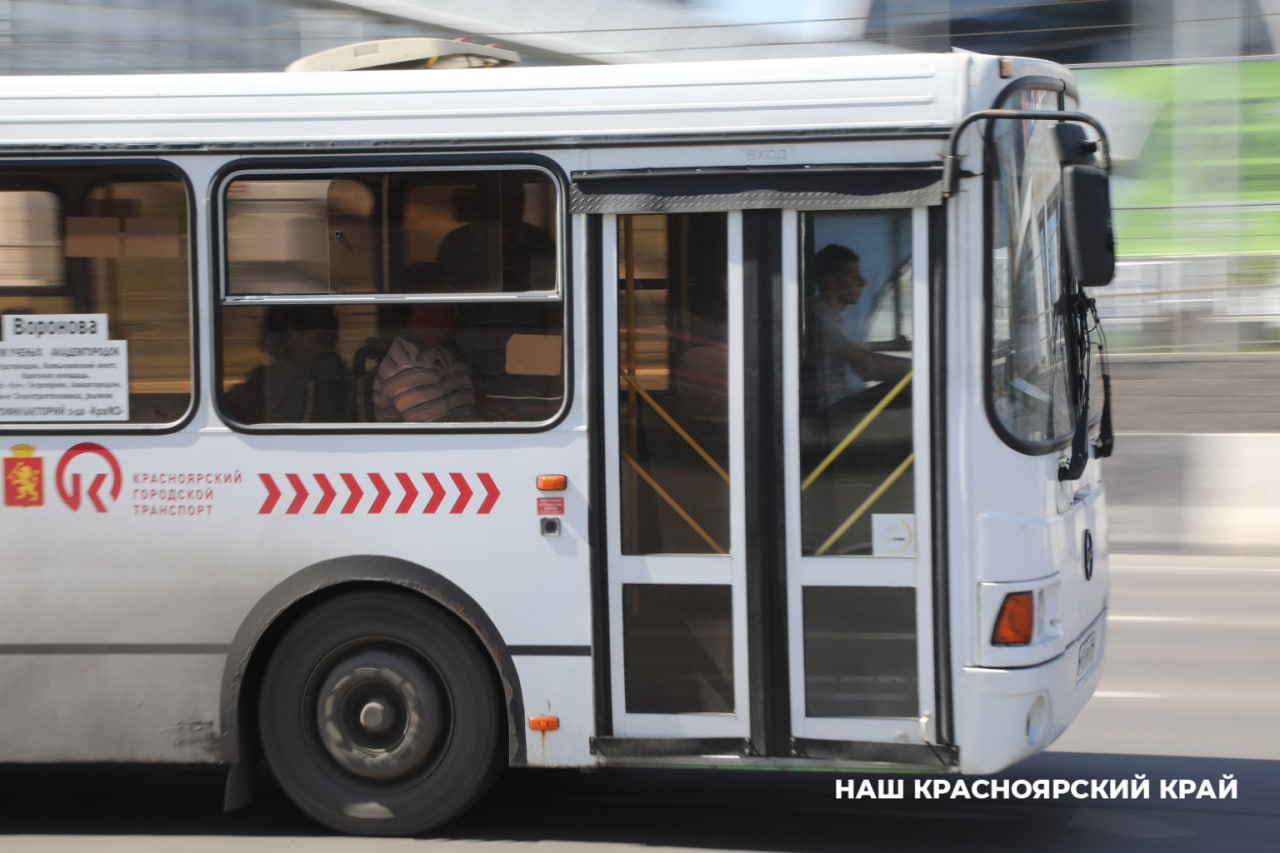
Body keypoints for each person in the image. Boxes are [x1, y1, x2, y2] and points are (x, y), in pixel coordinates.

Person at [807, 243, 909, 419]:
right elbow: (867, 365)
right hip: (830, 413)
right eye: (854, 276)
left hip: (841, 403)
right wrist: (921, 369)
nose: (863, 282)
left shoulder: (833, 317)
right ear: (831, 281)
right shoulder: (819, 317)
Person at [225, 305, 350, 423]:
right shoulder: (345, 373)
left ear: (310, 335)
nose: (285, 343)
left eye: (289, 335)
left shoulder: (275, 377)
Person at [371, 297, 477, 423]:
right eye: (447, 300)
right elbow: (439, 436)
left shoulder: (441, 351)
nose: (456, 311)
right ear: (420, 304)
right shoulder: (409, 368)